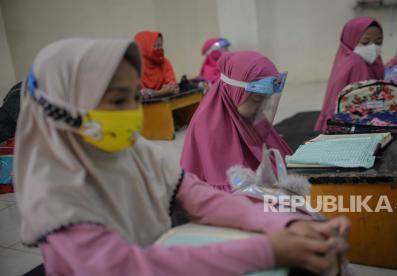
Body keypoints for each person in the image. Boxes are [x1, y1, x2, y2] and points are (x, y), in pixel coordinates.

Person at [15, 38, 350, 275]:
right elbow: (128, 268)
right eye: (118, 102)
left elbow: (203, 198)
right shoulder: (53, 192)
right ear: (61, 107)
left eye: (134, 98)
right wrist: (269, 249)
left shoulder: (136, 152)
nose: (133, 113)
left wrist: (288, 222)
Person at [181, 51, 293, 192]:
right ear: (235, 92)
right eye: (258, 99)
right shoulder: (209, 129)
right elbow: (227, 191)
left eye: (267, 98)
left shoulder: (251, 114)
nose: (263, 106)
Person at [314, 16, 385, 132]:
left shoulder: (372, 61)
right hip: (354, 125)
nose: (373, 48)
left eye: (378, 42)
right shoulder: (356, 63)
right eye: (365, 42)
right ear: (350, 39)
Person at [134, 31, 179, 98]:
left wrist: (172, 88)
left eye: (160, 45)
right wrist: (161, 92)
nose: (159, 49)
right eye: (155, 46)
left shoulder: (165, 63)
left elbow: (172, 84)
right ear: (145, 48)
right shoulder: (135, 67)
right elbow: (137, 94)